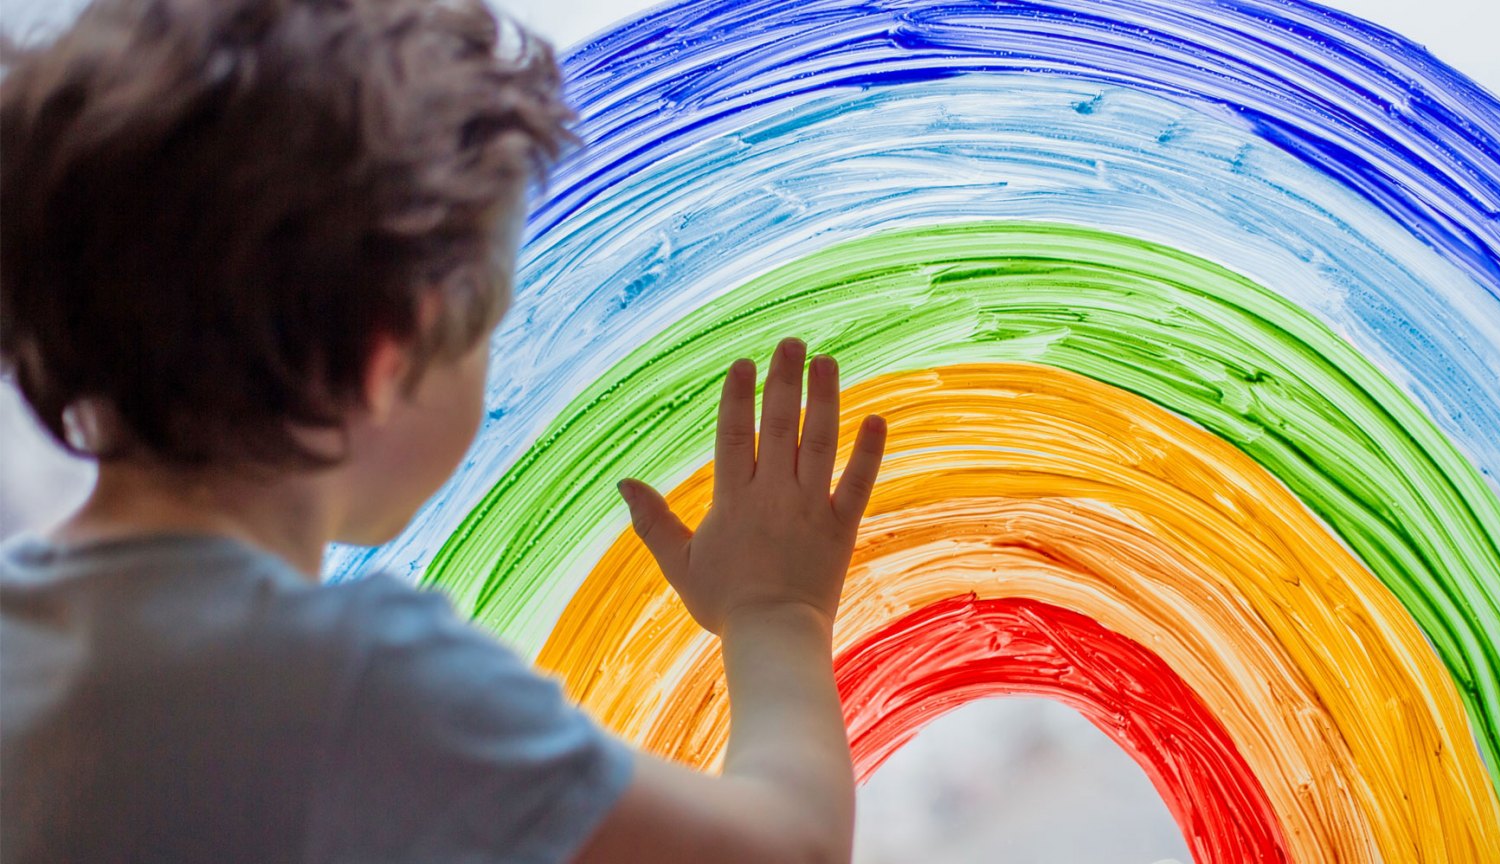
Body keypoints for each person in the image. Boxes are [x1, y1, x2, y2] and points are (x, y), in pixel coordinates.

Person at [0, 0, 888, 861]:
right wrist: (778, 611)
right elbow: (789, 849)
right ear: (389, 356)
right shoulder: (352, 689)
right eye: (492, 325)